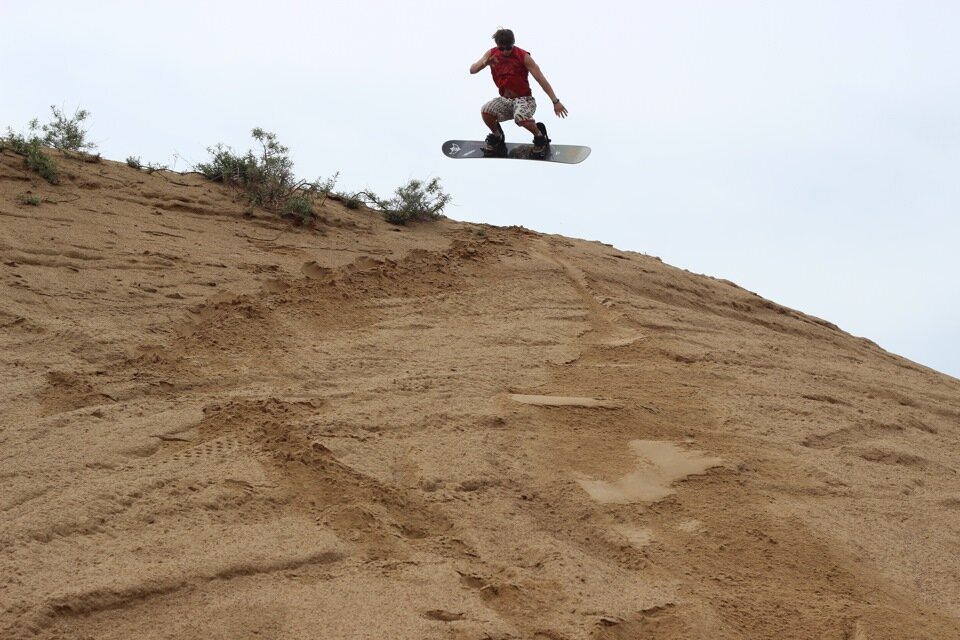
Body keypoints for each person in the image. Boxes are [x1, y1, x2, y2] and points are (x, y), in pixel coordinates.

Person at [469, 28, 568, 159]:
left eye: (508, 48)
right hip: (506, 101)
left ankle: (540, 137)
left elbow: (540, 78)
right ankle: (498, 137)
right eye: (501, 48)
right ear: (497, 46)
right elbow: (472, 70)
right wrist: (484, 63)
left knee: (520, 116)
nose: (505, 51)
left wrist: (555, 101)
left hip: (525, 100)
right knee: (486, 111)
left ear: (513, 43)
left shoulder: (523, 56)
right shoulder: (491, 54)